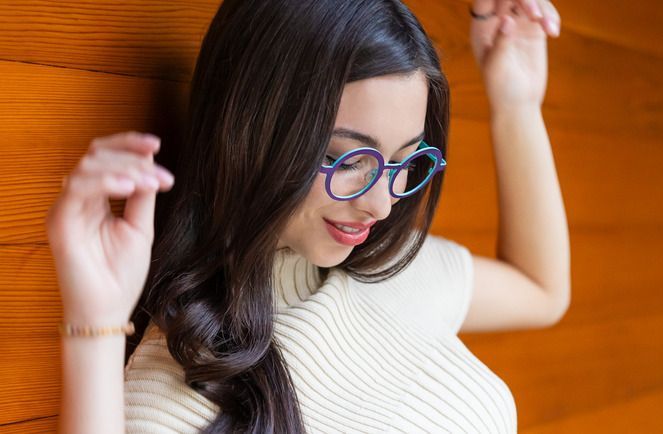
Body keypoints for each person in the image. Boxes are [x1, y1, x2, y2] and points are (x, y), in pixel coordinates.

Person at [45, 0, 566, 432]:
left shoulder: (385, 266)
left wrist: (517, 104)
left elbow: (541, 290)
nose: (382, 204)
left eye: (406, 160)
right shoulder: (182, 393)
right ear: (252, 133)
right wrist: (95, 324)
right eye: (348, 157)